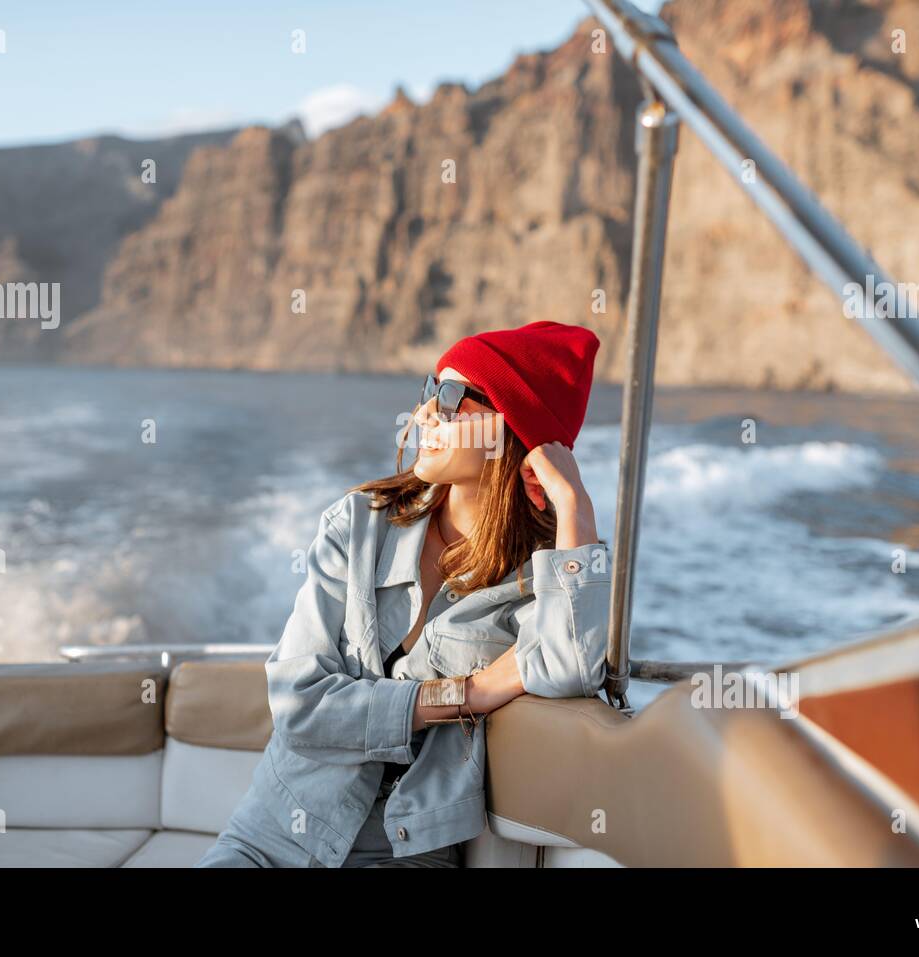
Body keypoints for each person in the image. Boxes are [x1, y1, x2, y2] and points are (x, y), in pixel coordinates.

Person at [196, 319, 612, 867]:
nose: (424, 415)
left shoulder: (540, 579)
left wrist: (575, 507)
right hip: (273, 837)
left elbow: (571, 671)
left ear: (515, 429)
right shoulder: (356, 527)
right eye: (428, 390)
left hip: (406, 852)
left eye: (452, 395)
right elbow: (300, 706)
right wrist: (469, 693)